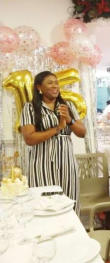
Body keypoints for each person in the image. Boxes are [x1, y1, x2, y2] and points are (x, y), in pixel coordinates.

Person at [20, 71, 86, 213]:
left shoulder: (67, 106)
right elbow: (29, 139)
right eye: (50, 83)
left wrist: (70, 120)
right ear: (39, 87)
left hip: (66, 164)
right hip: (41, 165)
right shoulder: (30, 108)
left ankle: (71, 234)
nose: (55, 86)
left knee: (69, 203)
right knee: (43, 204)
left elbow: (82, 132)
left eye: (56, 83)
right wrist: (57, 128)